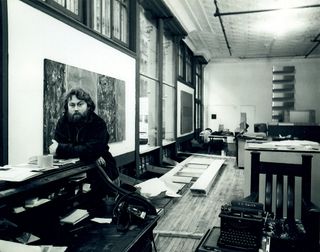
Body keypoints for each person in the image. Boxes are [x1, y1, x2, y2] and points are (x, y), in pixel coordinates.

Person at [49, 88, 119, 183]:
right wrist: (89, 154)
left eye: (80, 104)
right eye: (72, 105)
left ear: (88, 106)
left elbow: (92, 150)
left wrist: (61, 149)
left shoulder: (98, 123)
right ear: (67, 107)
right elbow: (56, 148)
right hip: (72, 173)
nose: (76, 108)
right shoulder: (62, 122)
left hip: (103, 172)